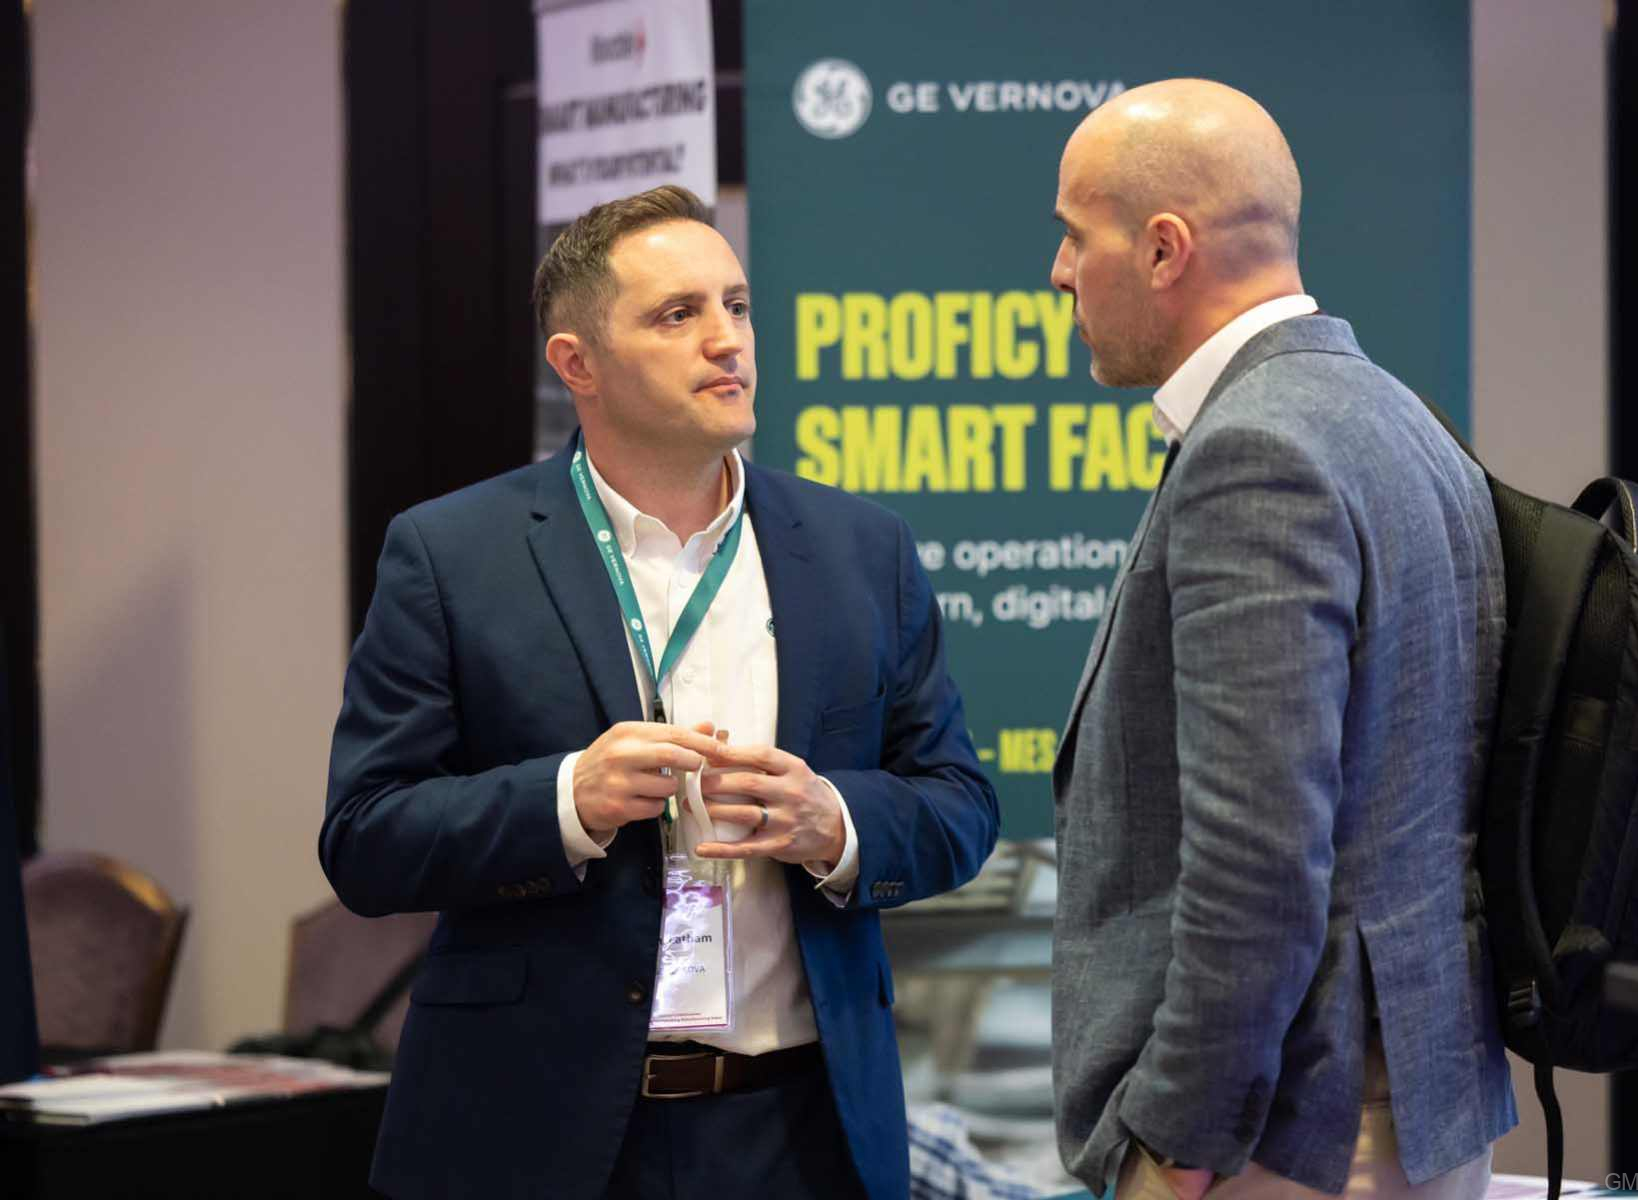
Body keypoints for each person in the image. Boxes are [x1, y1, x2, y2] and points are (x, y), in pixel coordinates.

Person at [323, 184, 998, 1200]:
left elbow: (960, 804)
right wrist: (565, 801)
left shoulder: (862, 549)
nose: (726, 340)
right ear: (576, 365)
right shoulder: (452, 554)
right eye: (677, 315)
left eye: (736, 305)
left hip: (802, 1134)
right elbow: (365, 839)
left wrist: (836, 823)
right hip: (535, 1135)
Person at [1047, 80, 1514, 1200]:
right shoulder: (1393, 415)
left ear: (1163, 251)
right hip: (1405, 1096)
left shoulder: (1256, 450)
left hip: (1289, 1132)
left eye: (1074, 236)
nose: (1058, 272)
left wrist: (1176, 1147)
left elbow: (1255, 865)